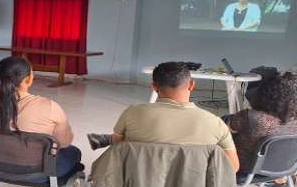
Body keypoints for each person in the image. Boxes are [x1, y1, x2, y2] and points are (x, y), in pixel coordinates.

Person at [87, 61, 240, 172]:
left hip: (139, 186)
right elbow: (232, 167)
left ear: (154, 87)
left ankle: (103, 139)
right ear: (192, 85)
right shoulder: (215, 123)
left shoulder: (132, 113)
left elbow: (119, 147)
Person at [0, 56, 79, 187]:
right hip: (38, 173)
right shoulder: (49, 107)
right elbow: (64, 142)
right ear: (28, 79)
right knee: (73, 153)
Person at [227, 72, 297, 187]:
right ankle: (280, 181)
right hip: (288, 166)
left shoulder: (254, 117)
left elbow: (224, 129)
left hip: (246, 167)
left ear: (265, 93)